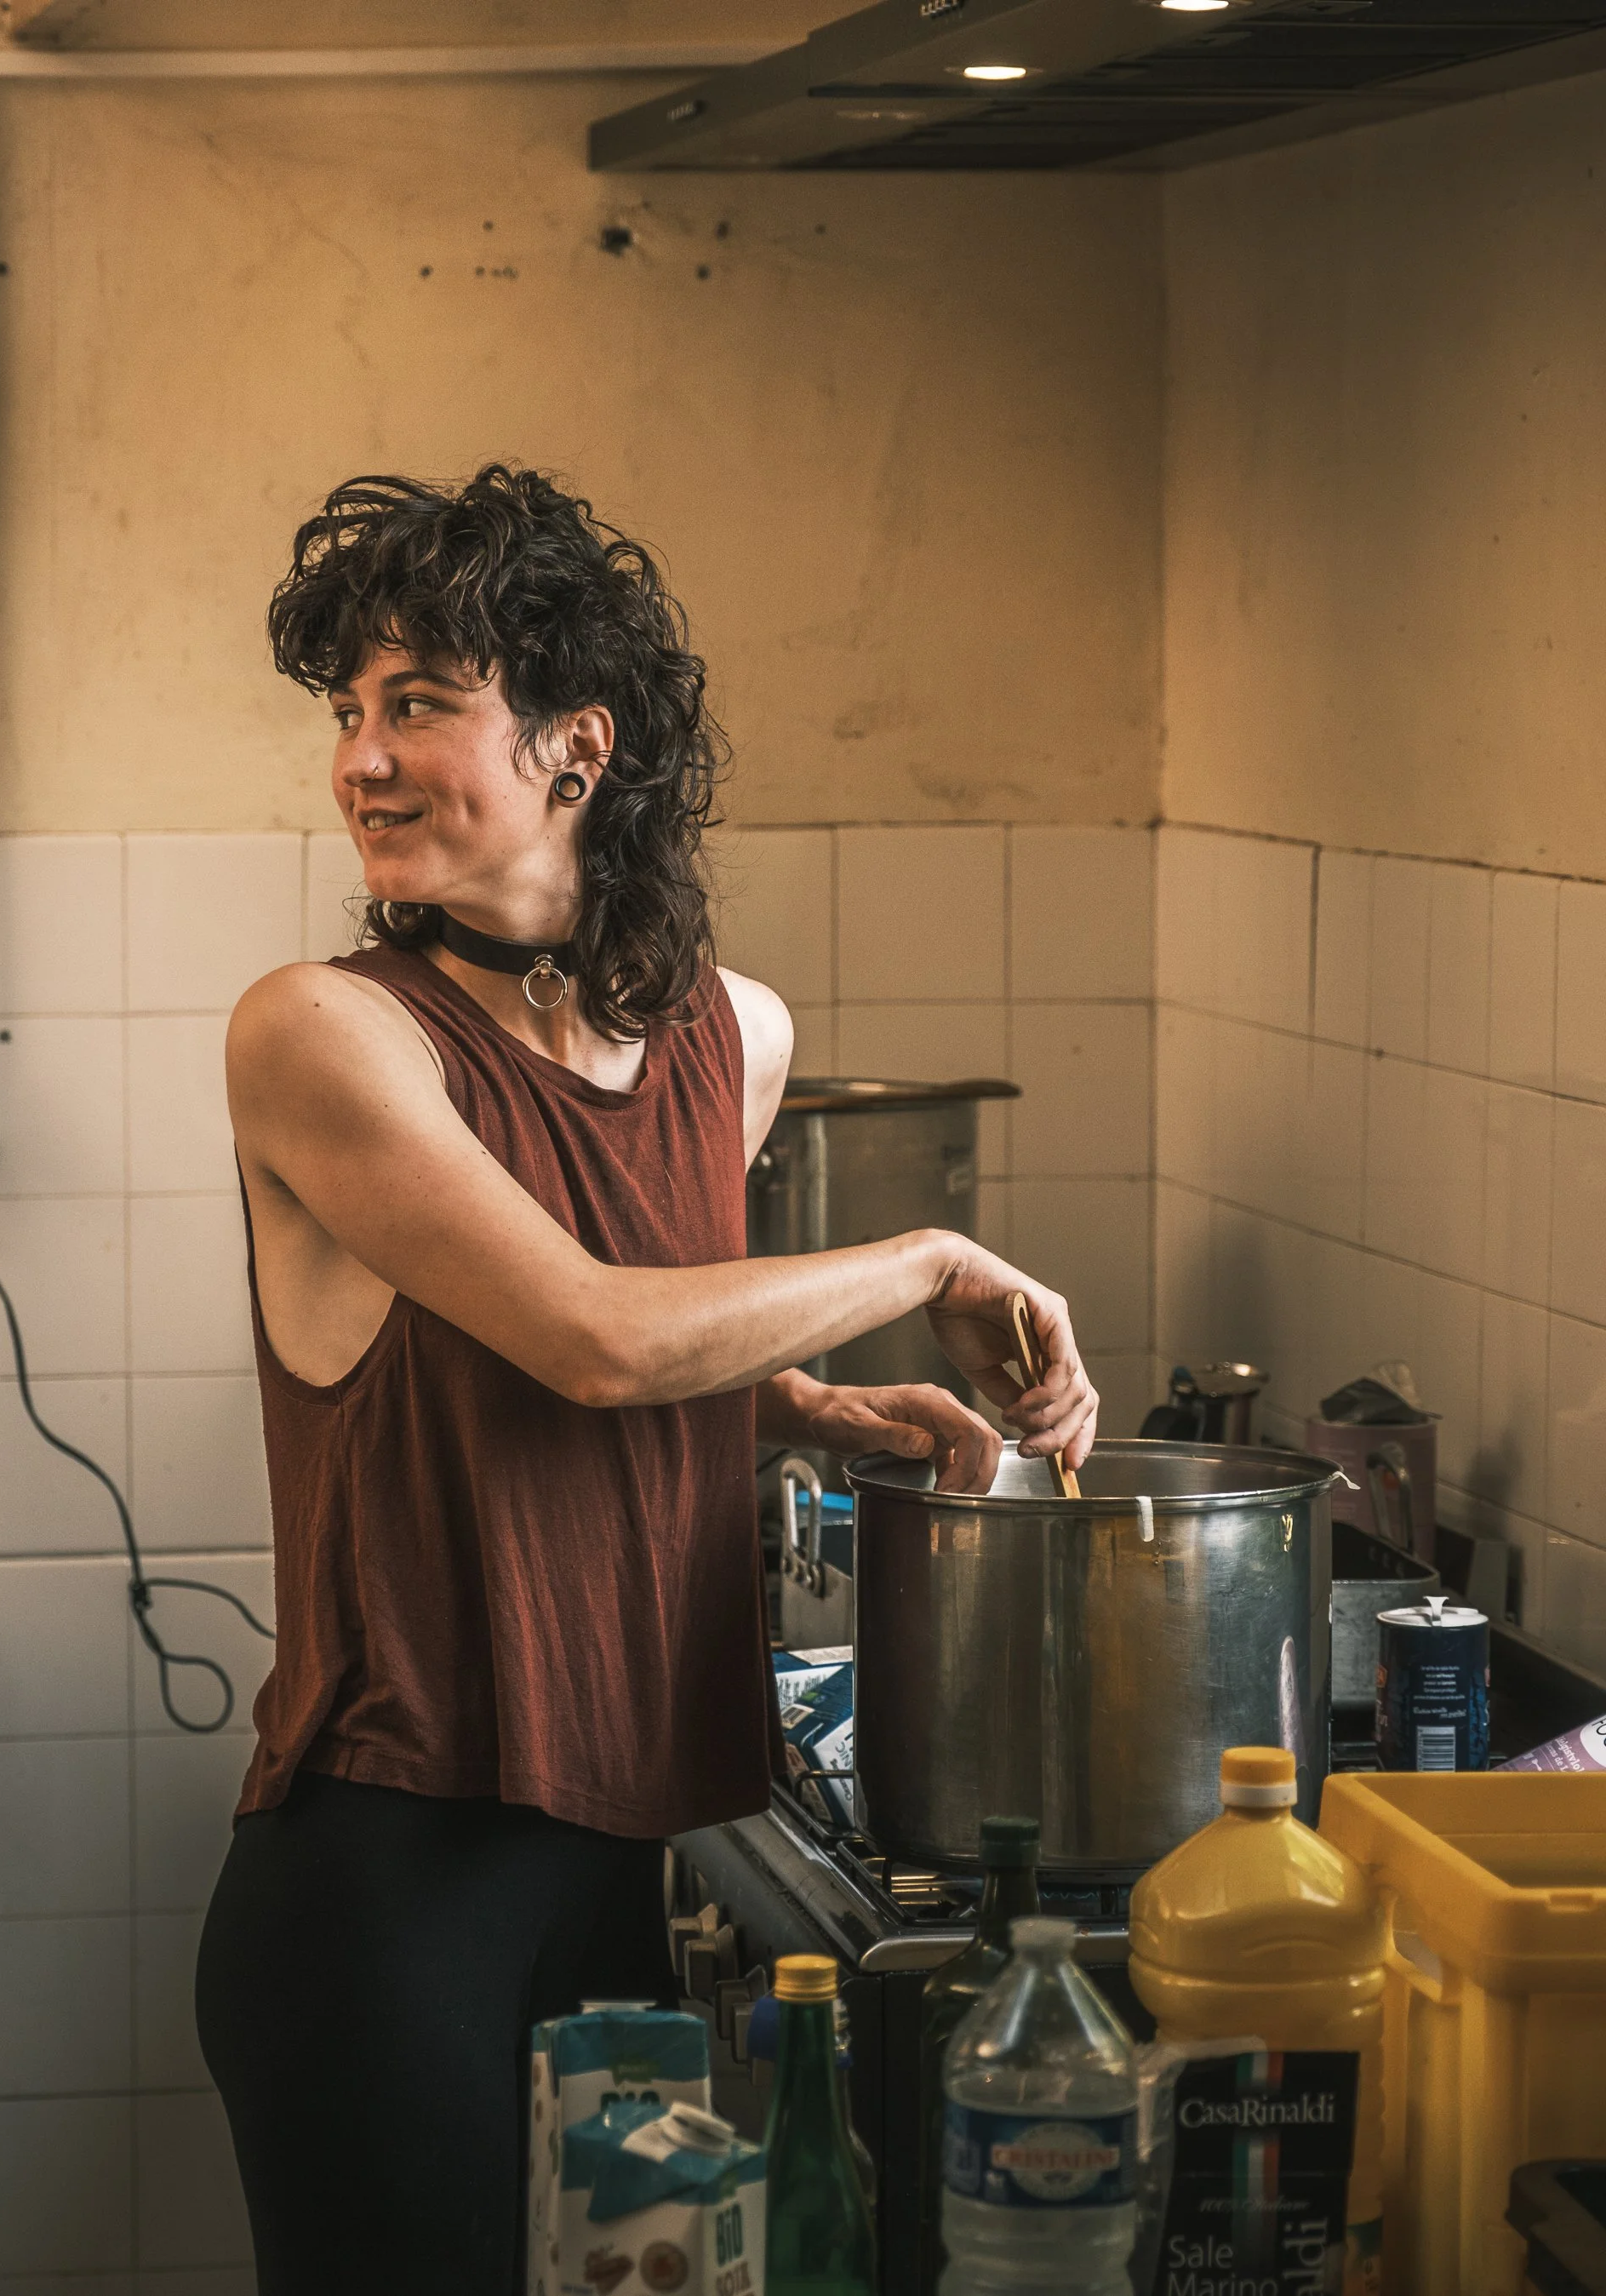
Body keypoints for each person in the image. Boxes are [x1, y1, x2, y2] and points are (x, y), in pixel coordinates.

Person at [195, 464, 1099, 2293]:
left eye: (419, 703)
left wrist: (821, 1409)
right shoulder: (328, 1033)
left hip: (623, 1842)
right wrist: (923, 1262)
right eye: (347, 712)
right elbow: (595, 1340)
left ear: (576, 749)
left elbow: (579, 1340)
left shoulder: (731, 1036)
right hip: (390, 1870)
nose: (360, 757)